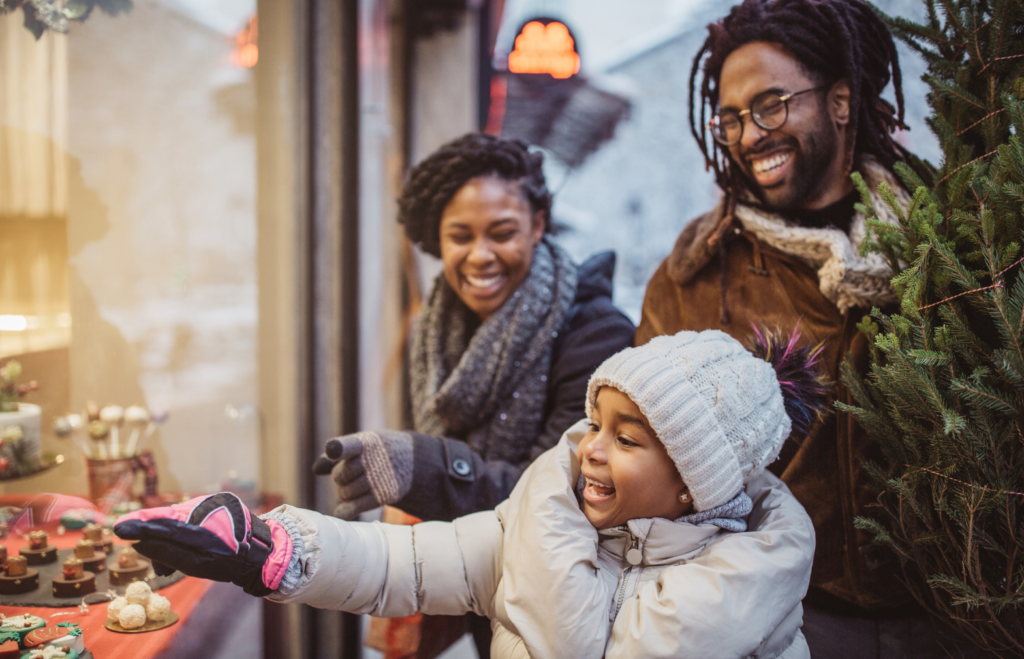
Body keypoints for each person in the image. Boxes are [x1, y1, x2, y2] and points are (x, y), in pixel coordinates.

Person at [113, 328, 825, 659]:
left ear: (696, 485)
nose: (591, 448)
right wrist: (267, 547)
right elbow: (411, 562)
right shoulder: (553, 516)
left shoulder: (740, 590)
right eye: (596, 423)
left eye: (628, 438)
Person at [637, 1, 982, 656]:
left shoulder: (954, 246)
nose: (748, 135)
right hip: (782, 624)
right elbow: (637, 462)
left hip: (957, 622)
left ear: (842, 101)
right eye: (732, 118)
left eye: (771, 105)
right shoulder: (693, 281)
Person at [312, 133, 635, 524]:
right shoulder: (435, 332)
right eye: (460, 237)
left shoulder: (597, 334)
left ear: (536, 226)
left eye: (502, 234)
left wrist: (424, 473)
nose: (480, 256)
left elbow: (564, 486)